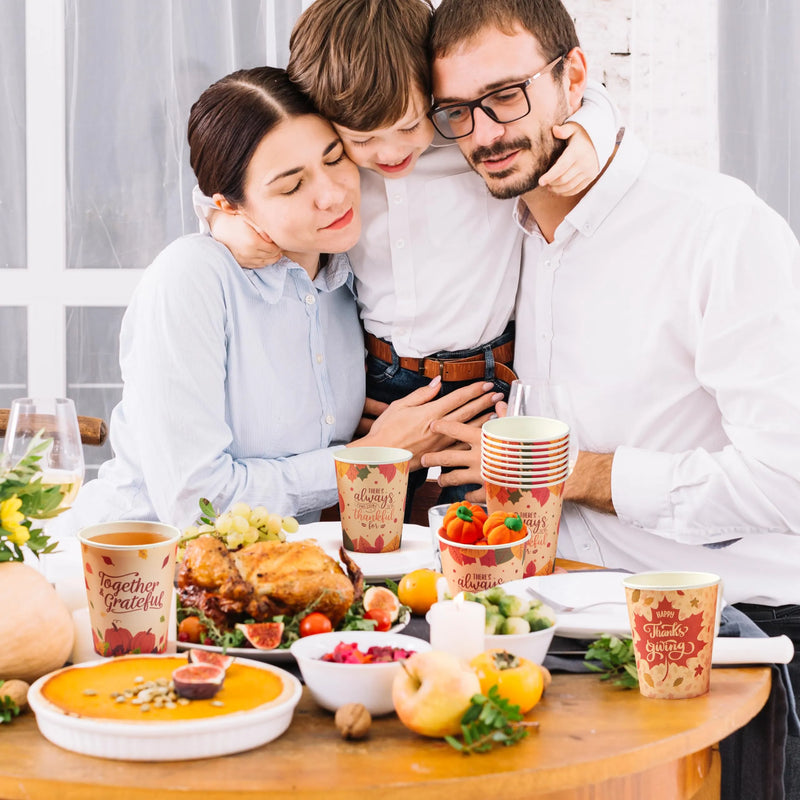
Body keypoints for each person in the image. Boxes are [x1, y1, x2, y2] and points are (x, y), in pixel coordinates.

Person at [422, 1, 800, 795]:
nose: (485, 132)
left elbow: (787, 480)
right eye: (458, 112)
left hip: (735, 645)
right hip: (560, 638)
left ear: (576, 76)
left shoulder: (719, 228)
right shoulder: (497, 235)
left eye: (507, 96)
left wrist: (571, 473)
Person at [198, 0, 619, 517]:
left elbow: (572, 87)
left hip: (486, 381)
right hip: (377, 382)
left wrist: (590, 129)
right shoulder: (334, 164)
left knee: (487, 546)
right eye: (362, 139)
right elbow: (251, 157)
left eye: (409, 124)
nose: (390, 151)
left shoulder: (472, 137)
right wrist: (218, 217)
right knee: (369, 550)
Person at [57, 66, 500, 533]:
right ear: (227, 205)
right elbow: (198, 503)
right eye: (291, 186)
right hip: (134, 571)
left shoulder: (348, 280)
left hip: (275, 574)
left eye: (334, 159)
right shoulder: (191, 278)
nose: (332, 195)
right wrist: (367, 458)